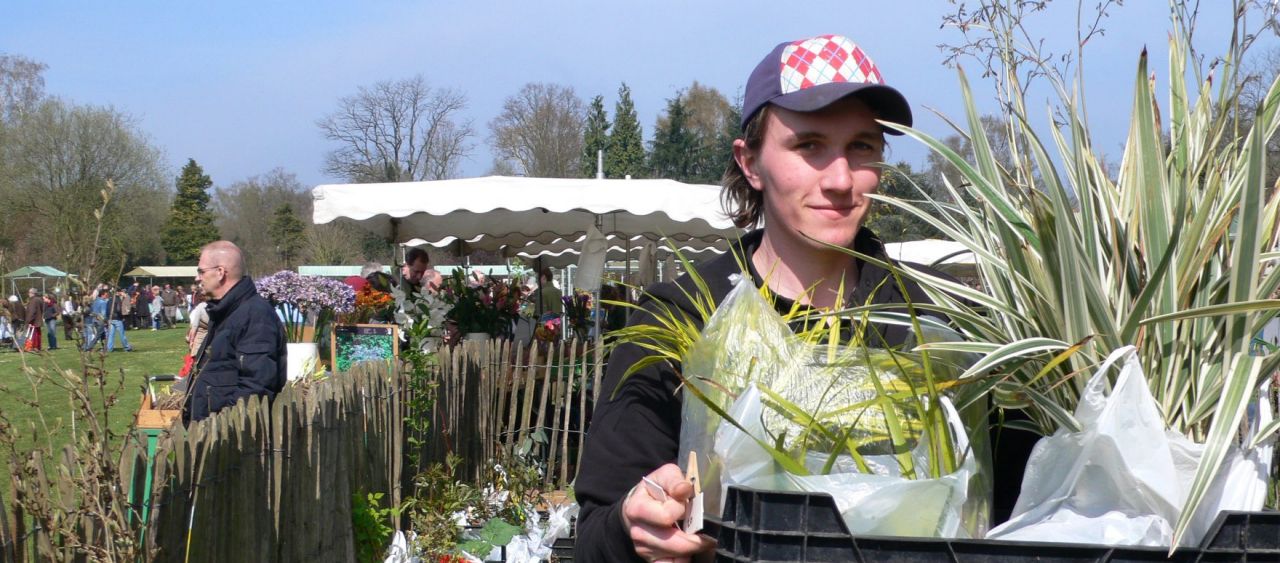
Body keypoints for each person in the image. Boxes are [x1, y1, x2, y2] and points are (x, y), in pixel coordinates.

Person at [574, 35, 974, 561]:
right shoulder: (682, 321)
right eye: (809, 146)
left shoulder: (935, 320)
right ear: (751, 163)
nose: (840, 179)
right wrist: (635, 527)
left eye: (862, 147)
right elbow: (596, 533)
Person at [183, 240, 286, 423]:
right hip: (208, 431)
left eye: (201, 271)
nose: (197, 278)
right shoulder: (224, 312)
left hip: (230, 433)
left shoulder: (255, 315)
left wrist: (221, 425)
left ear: (220, 272)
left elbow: (256, 387)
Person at [104, 288, 134, 352]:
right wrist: (122, 316)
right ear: (118, 292)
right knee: (122, 334)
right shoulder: (117, 299)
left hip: (110, 318)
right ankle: (126, 347)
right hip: (117, 318)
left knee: (111, 334)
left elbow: (107, 310)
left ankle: (109, 348)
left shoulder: (109, 299)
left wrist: (107, 318)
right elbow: (118, 309)